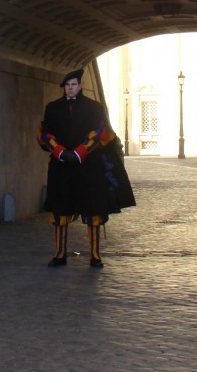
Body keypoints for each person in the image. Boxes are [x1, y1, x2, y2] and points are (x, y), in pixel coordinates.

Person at [37, 68, 136, 268]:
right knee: (61, 209)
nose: (70, 88)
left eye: (73, 85)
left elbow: (101, 132)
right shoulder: (53, 107)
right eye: (67, 85)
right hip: (62, 166)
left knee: (92, 209)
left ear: (80, 86)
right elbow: (45, 133)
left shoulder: (94, 108)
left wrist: (81, 152)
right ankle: (59, 253)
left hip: (88, 165)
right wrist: (60, 152)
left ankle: (95, 255)